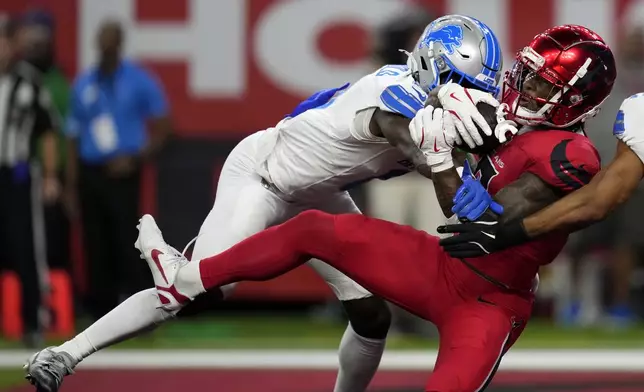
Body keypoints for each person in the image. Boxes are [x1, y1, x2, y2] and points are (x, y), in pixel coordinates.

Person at [24, 15, 503, 392]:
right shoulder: (394, 99)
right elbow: (410, 138)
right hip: (265, 177)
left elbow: (328, 109)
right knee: (190, 294)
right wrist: (452, 166)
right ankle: (64, 354)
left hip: (320, 191)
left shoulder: (424, 101)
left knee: (371, 314)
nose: (472, 99)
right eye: (465, 87)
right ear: (433, 70)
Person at [128, 24, 613, 391]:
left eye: (542, 86)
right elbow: (456, 205)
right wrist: (448, 126)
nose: (523, 89)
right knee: (314, 227)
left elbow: (484, 223)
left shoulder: (570, 155)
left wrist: (444, 156)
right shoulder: (505, 119)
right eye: (525, 74)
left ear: (576, 102)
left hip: (490, 298)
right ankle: (187, 277)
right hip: (441, 263)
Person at [65, 20, 172, 320]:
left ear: (119, 45)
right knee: (94, 241)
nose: (105, 48)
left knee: (128, 238)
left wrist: (137, 158)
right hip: (91, 170)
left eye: (110, 43)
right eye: (101, 42)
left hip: (124, 170)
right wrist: (72, 184)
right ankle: (101, 307)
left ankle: (139, 304)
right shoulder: (85, 83)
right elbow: (72, 134)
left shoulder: (138, 80)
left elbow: (164, 127)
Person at [0, 15, 61, 347]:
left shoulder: (29, 83)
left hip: (18, 173)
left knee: (26, 248)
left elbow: (48, 131)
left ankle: (32, 322)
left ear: (12, 44)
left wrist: (51, 176)